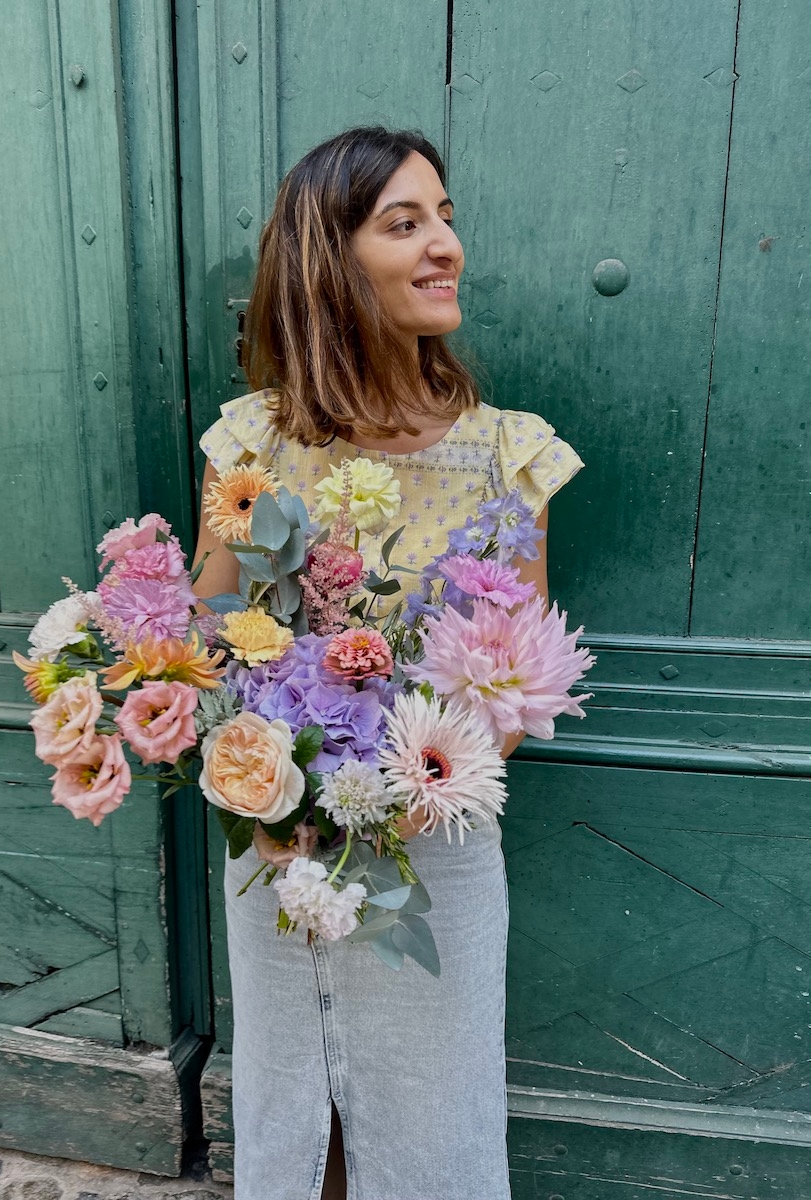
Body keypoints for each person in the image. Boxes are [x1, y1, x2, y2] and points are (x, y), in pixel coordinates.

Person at [192, 126, 583, 1200]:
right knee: (292, 1101)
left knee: (437, 1106)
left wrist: (411, 790)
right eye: (404, 222)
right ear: (330, 259)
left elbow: (515, 673)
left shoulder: (512, 454)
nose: (445, 242)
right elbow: (213, 626)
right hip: (279, 839)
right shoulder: (251, 448)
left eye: (446, 216)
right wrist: (280, 786)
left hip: (436, 840)